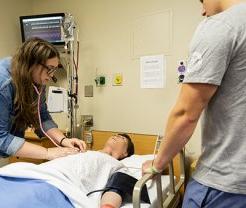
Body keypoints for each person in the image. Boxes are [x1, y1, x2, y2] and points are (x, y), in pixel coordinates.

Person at [142, 0, 246, 207]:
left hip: (224, 184)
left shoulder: (221, 26)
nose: (202, 11)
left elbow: (186, 114)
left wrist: (157, 164)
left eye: (201, 2)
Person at [0, 37, 86, 161]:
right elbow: (1, 138)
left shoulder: (36, 80)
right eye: (49, 69)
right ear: (31, 63)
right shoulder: (4, 84)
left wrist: (64, 140)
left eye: (54, 70)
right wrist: (47, 153)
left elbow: (42, 116)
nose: (51, 75)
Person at [0, 133, 135, 208]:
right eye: (116, 134)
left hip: (57, 186)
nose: (116, 136)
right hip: (33, 173)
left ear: (125, 153)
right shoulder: (83, 151)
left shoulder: (117, 165)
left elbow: (117, 188)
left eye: (122, 138)